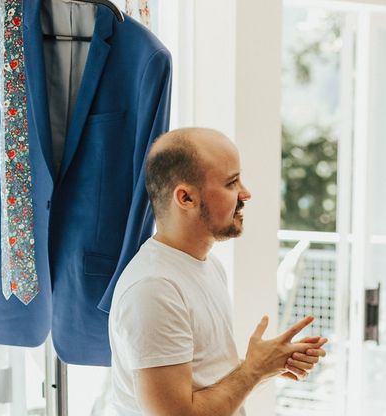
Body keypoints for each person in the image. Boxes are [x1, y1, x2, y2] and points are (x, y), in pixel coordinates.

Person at [108, 127, 328, 415]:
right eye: (232, 183)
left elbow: (205, 382)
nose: (246, 194)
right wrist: (252, 370)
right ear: (185, 198)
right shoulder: (154, 289)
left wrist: (267, 365)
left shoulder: (208, 265)